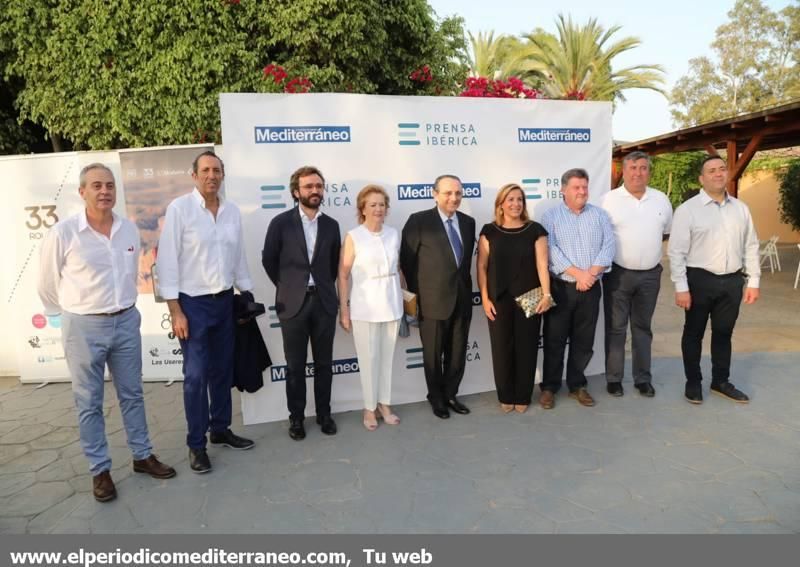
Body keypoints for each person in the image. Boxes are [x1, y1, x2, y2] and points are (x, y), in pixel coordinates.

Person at [38, 163, 176, 502]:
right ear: (82, 191)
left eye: (110, 185)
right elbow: (46, 286)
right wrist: (73, 312)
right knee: (89, 402)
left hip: (126, 321)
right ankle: (99, 469)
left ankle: (142, 455)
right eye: (97, 185)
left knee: (132, 394)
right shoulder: (65, 233)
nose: (104, 191)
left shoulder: (128, 229)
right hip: (83, 326)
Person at [157, 151, 255, 474]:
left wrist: (246, 290)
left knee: (222, 371)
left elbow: (237, 253)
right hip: (193, 304)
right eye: (206, 170)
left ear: (222, 175)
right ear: (194, 175)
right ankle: (196, 444)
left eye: (217, 170)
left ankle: (221, 429)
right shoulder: (180, 210)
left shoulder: (230, 212)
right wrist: (175, 310)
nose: (212, 175)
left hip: (225, 301)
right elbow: (167, 260)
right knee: (196, 377)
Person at [668, 155, 760, 405]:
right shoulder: (688, 210)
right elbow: (676, 252)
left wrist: (753, 281)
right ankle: (693, 382)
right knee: (693, 334)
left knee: (723, 333)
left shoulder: (741, 209)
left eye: (722, 169)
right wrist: (681, 287)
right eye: (711, 171)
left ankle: (720, 381)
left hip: (732, 282)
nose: (718, 174)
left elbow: (751, 245)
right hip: (699, 280)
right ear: (702, 178)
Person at [262, 166, 342, 440]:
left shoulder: (332, 225)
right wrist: (290, 287)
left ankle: (324, 414)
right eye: (309, 186)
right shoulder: (280, 223)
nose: (315, 191)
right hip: (292, 305)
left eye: (319, 186)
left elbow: (333, 265)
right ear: (296, 192)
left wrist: (319, 287)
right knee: (295, 366)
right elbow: (269, 260)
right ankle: (296, 418)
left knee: (324, 364)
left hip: (324, 303)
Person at [400, 174, 476, 419]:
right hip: (431, 301)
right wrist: (419, 295)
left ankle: (451, 394)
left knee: (457, 353)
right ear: (435, 194)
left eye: (458, 193)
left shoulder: (468, 222)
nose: (454, 198)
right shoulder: (419, 221)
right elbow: (408, 262)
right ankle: (436, 398)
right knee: (432, 355)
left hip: (462, 300)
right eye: (448, 193)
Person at [540, 168, 615, 409]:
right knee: (554, 339)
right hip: (562, 288)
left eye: (584, 186)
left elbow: (609, 246)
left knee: (584, 340)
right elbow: (550, 250)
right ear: (563, 190)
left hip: (591, 287)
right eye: (576, 187)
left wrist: (590, 275)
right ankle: (550, 387)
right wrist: (578, 274)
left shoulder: (600, 215)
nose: (582, 191)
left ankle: (577, 385)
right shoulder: (550, 217)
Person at [601, 151, 672, 398]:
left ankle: (643, 379)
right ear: (624, 170)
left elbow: (665, 232)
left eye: (643, 168)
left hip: (650, 275)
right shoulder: (608, 200)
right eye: (632, 168)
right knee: (616, 328)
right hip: (618, 275)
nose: (638, 173)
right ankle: (614, 378)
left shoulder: (661, 199)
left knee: (642, 328)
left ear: (648, 171)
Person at [476, 183, 553, 414]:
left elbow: (542, 264)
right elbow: (481, 266)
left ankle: (523, 395)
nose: (515, 204)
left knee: (527, 348)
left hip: (530, 296)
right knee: (501, 349)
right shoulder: (489, 231)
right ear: (501, 204)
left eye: (519, 199)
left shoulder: (535, 230)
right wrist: (485, 297)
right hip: (499, 299)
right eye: (510, 199)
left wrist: (547, 294)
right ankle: (505, 394)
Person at [338, 185, 403, 430]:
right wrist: (344, 310)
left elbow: (398, 268)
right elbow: (343, 275)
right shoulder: (354, 236)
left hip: (392, 303)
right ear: (362, 209)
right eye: (372, 204)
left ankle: (385, 404)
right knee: (368, 359)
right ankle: (369, 407)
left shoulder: (393, 234)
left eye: (382, 204)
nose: (378, 209)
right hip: (364, 306)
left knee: (387, 358)